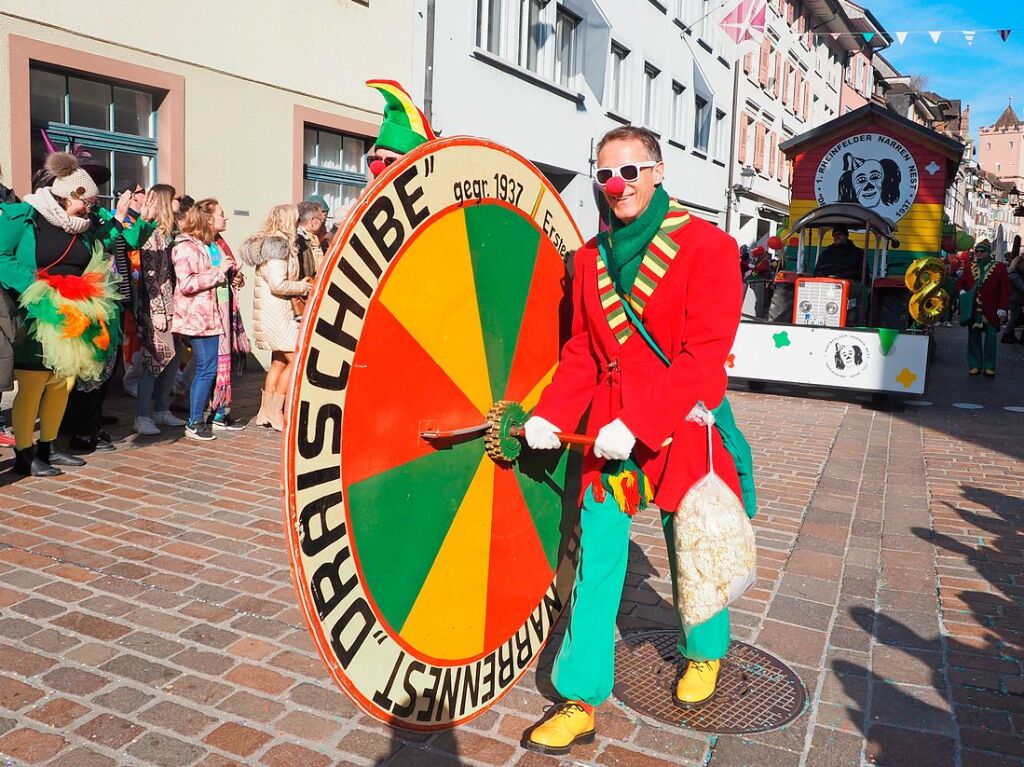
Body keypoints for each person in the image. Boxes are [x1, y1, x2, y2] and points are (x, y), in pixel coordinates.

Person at [520, 126, 751, 755]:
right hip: (608, 427)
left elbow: (704, 361)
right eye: (604, 175)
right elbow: (581, 355)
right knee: (597, 557)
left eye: (629, 172)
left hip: (678, 422)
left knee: (691, 544)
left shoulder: (708, 247)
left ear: (657, 172)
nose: (616, 186)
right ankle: (580, 695)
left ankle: (704, 652)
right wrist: (551, 412)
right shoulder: (588, 259)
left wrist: (642, 421)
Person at [0, 152, 154, 475]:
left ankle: (49, 447)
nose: (89, 209)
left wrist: (133, 220)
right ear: (71, 195)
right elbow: (1, 254)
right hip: (37, 310)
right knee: (33, 382)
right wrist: (32, 286)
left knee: (63, 382)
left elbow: (110, 240)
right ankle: (25, 455)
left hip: (73, 312)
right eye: (86, 202)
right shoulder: (28, 216)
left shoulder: (82, 227)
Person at [242, 204, 309, 431]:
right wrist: (302, 286)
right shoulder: (278, 247)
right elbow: (278, 283)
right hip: (278, 313)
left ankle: (265, 412)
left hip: (271, 312)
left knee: (279, 361)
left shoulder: (270, 243)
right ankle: (276, 411)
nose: (299, 223)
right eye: (296, 219)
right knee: (298, 359)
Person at [171, 199, 232, 441]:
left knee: (209, 368)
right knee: (206, 369)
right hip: (196, 317)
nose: (225, 218)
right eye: (221, 214)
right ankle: (194, 421)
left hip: (209, 315)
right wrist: (218, 274)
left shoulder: (204, 246)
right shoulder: (185, 247)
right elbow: (186, 284)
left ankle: (199, 418)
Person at [134, 184, 186, 435]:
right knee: (154, 360)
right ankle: (143, 415)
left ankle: (162, 409)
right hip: (156, 306)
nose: (179, 201)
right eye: (175, 198)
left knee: (174, 358)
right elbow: (151, 277)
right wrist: (158, 311)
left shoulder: (170, 232)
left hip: (173, 304)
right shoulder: (151, 233)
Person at [957, 239, 1010, 376]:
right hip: (974, 309)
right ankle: (974, 364)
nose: (979, 254)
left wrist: (1003, 307)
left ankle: (989, 366)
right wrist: (962, 291)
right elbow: (961, 282)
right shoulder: (969, 266)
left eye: (982, 251)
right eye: (977, 251)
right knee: (973, 338)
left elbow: (1005, 290)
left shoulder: (1000, 267)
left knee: (991, 339)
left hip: (992, 310)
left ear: (988, 252)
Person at [295, 201, 326, 283]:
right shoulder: (299, 240)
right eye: (321, 220)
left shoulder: (312, 238)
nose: (322, 223)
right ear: (312, 221)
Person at [1000, 246, 1023, 343]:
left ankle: (1009, 334)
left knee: (1014, 317)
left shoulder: (1012, 274)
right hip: (1015, 299)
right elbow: (1022, 288)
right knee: (1013, 318)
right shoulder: (1015, 276)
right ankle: (1007, 334)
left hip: (1015, 298)